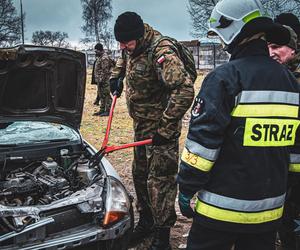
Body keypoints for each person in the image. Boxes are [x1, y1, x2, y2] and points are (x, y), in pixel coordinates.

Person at [176, 0, 300, 249]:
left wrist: (187, 187)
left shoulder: (224, 78)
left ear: (231, 31)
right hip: (268, 213)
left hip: (219, 213)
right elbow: (295, 155)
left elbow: (202, 147)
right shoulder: (290, 83)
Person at [110, 11, 195, 250]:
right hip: (141, 128)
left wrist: (166, 128)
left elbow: (184, 90)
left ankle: (162, 235)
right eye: (120, 42)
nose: (122, 46)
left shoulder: (162, 51)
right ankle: (147, 221)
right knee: (139, 175)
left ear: (138, 36)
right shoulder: (132, 47)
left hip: (161, 133)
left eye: (126, 42)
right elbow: (125, 58)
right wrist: (116, 76)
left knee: (160, 182)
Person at [269, 15, 300, 250]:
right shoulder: (275, 74)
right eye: (268, 46)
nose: (271, 52)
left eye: (277, 46)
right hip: (281, 164)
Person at [92, 43, 112, 116]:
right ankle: (102, 109)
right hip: (100, 80)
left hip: (105, 80)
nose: (95, 52)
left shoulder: (104, 58)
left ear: (100, 50)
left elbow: (105, 71)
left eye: (96, 51)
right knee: (101, 95)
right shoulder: (100, 57)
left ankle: (108, 111)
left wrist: (101, 80)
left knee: (106, 95)